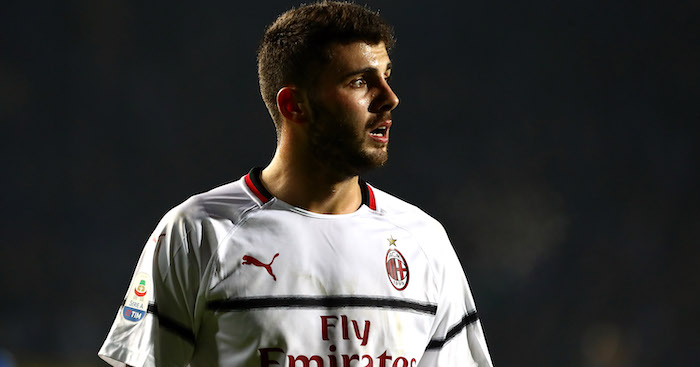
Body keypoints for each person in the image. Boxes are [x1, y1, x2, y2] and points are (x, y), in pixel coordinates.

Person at [98, 1, 493, 366]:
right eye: (359, 81)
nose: (389, 97)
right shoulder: (196, 233)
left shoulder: (424, 240)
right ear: (294, 105)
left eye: (386, 76)